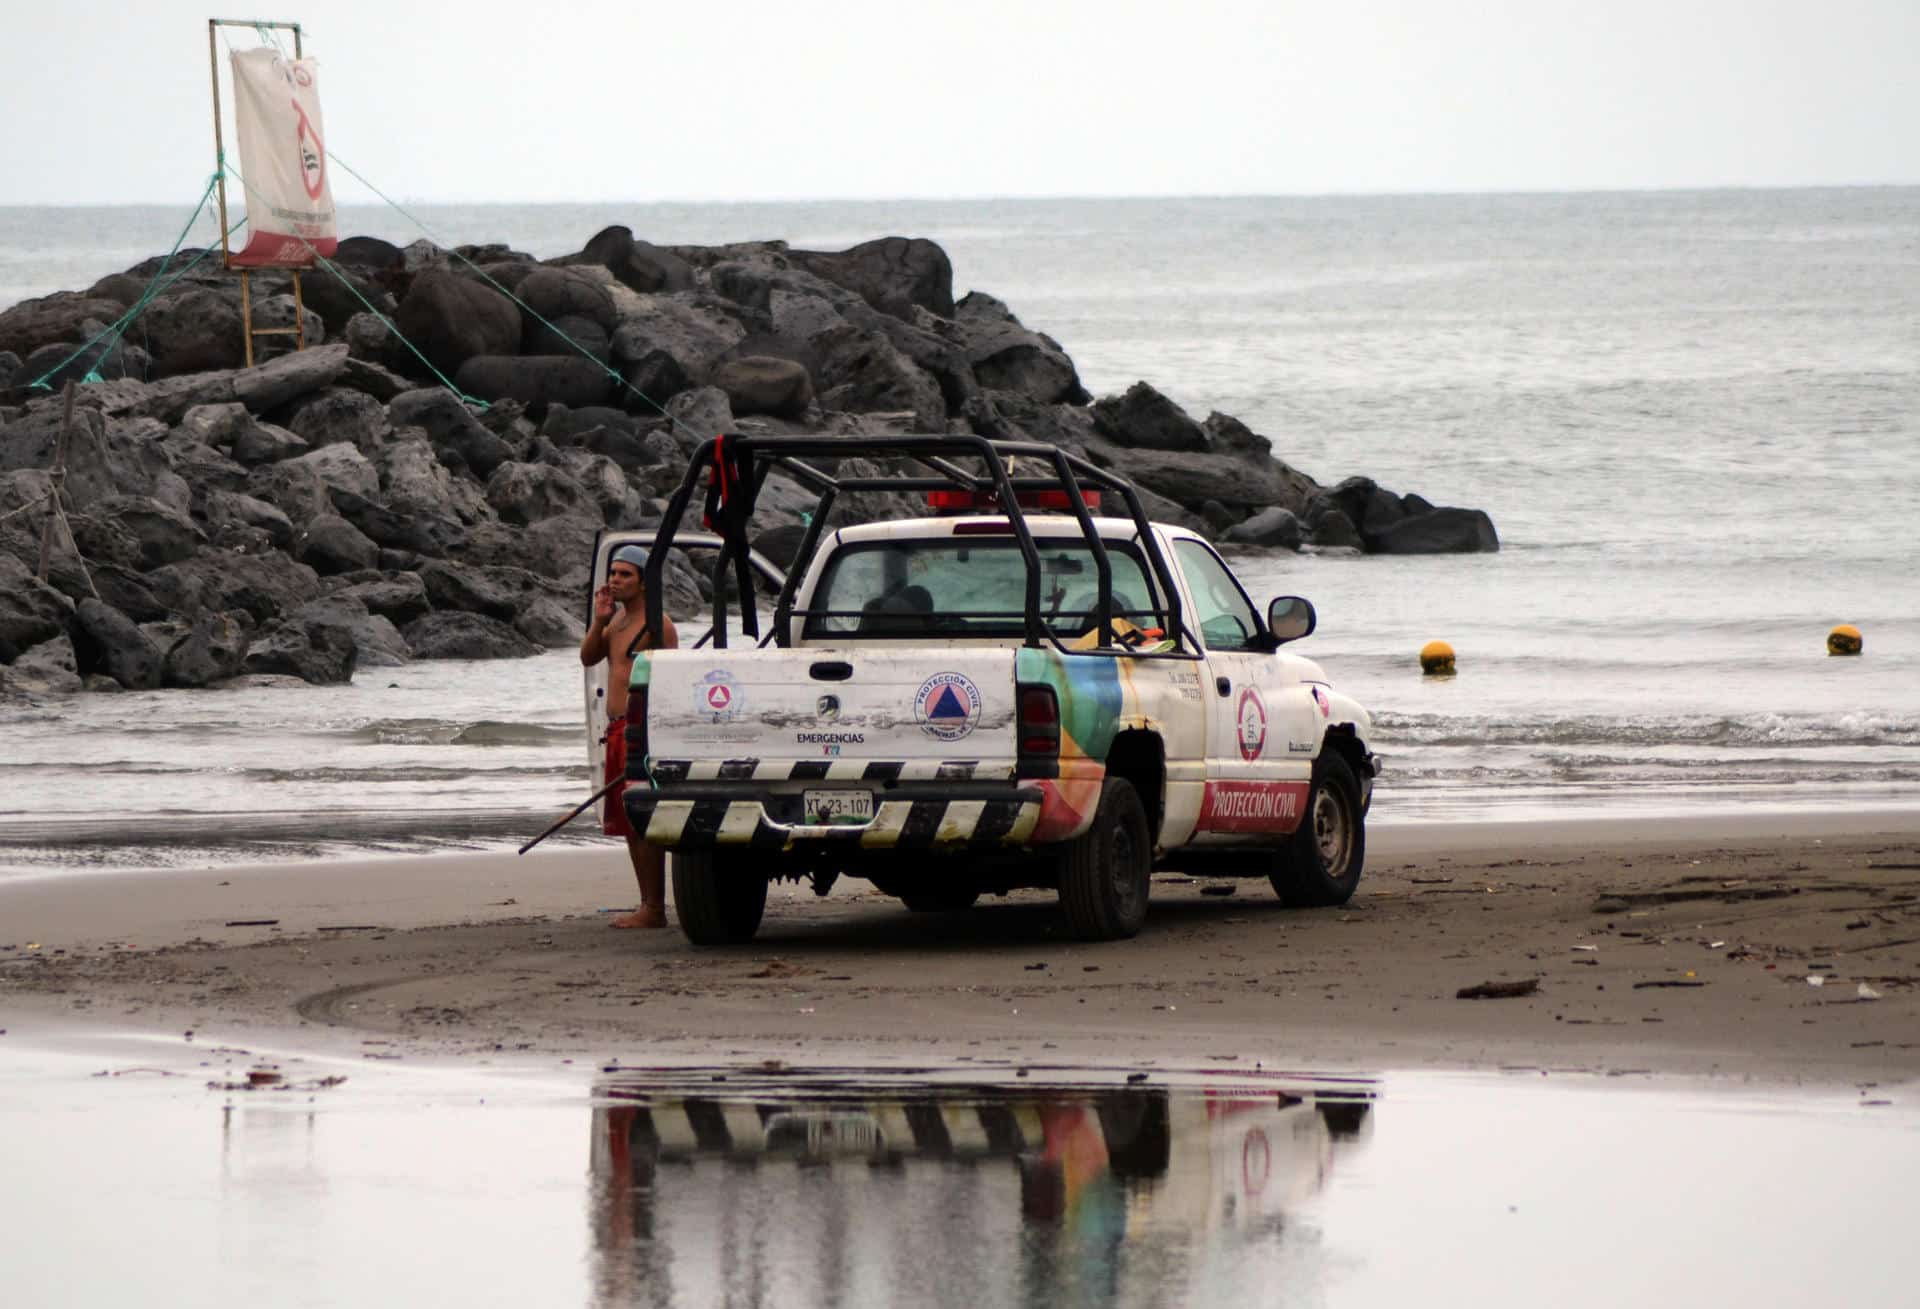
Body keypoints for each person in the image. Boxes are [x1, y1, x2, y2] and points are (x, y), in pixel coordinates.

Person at [580, 544, 679, 928]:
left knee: (643, 819)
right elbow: (589, 658)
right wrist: (598, 620)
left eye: (625, 575)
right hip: (616, 728)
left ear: (642, 583)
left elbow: (669, 680)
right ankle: (646, 903)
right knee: (626, 821)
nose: (615, 581)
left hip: (641, 730)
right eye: (614, 573)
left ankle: (654, 907)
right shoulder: (616, 623)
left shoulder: (658, 625)